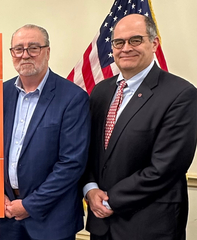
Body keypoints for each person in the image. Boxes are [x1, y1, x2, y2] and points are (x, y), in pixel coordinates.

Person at [82, 14, 197, 240]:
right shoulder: (100, 92)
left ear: (154, 44)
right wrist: (90, 188)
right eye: (118, 42)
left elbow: (166, 167)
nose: (125, 48)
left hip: (149, 224)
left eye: (135, 40)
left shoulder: (180, 94)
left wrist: (110, 199)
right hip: (101, 224)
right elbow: (88, 150)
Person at [0, 24, 90, 240]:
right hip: (7, 215)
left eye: (33, 48)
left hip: (52, 220)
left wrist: (29, 205)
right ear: (11, 54)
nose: (25, 55)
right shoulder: (0, 94)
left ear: (47, 51)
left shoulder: (73, 98)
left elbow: (72, 163)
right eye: (18, 49)